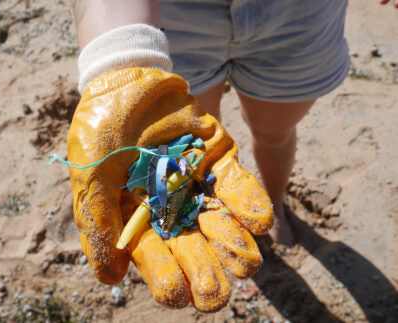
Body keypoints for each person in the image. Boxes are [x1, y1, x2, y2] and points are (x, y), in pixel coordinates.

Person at [67, 0, 398, 312]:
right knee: (198, 135)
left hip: (300, 15)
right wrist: (120, 59)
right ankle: (214, 205)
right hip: (165, 19)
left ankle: (276, 205)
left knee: (273, 132)